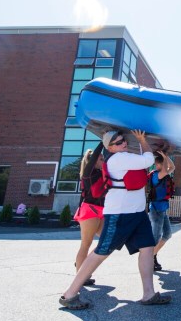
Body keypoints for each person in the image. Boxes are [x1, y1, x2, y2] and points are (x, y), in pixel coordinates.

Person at [59, 129, 170, 310]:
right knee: (102, 250)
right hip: (120, 213)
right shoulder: (118, 159)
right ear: (110, 147)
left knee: (148, 248)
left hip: (137, 213)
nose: (123, 144)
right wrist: (142, 139)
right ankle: (69, 294)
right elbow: (148, 160)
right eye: (118, 143)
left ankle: (148, 294)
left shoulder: (126, 157)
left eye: (123, 140)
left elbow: (144, 162)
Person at [72, 142, 106, 286]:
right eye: (101, 159)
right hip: (90, 210)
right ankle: (81, 274)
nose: (103, 161)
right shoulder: (88, 173)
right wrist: (103, 142)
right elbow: (93, 161)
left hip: (101, 210)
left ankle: (82, 264)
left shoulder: (101, 173)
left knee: (106, 241)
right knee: (86, 243)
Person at [148, 150, 175, 271]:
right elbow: (166, 169)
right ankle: (150, 260)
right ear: (157, 164)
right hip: (156, 210)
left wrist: (166, 156)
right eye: (162, 163)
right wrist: (164, 157)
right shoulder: (155, 175)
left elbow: (172, 166)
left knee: (167, 234)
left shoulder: (163, 173)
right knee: (156, 237)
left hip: (162, 210)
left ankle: (152, 256)